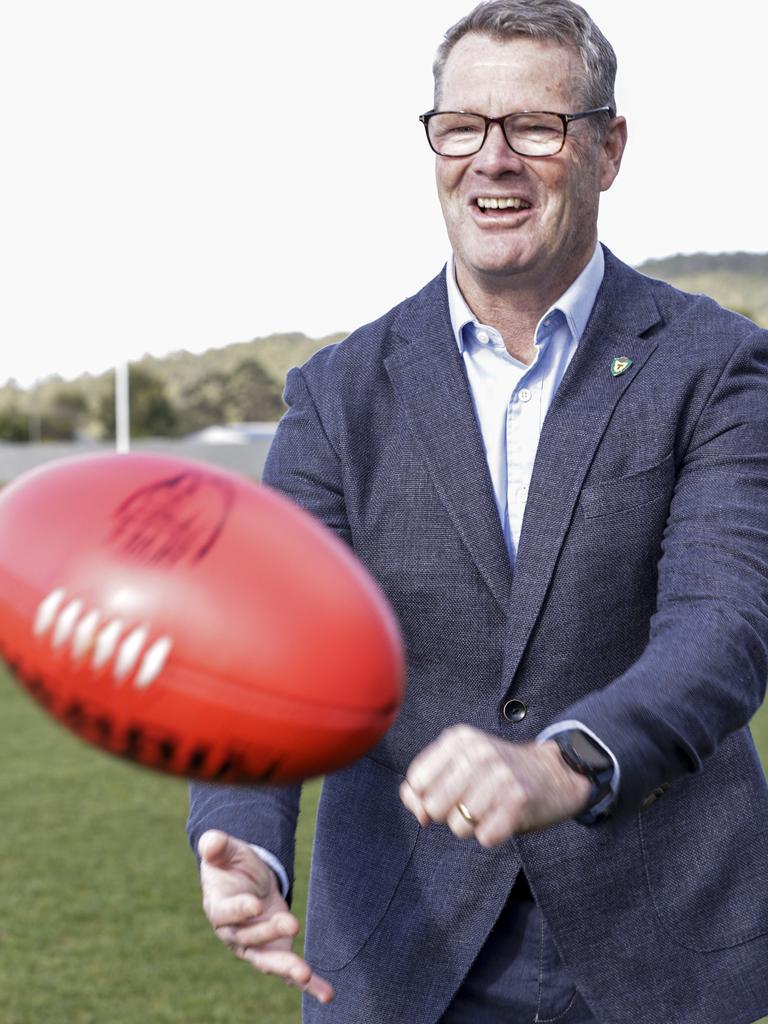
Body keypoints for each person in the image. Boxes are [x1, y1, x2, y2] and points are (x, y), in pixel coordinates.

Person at [186, 2, 768, 1021]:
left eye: (535, 127)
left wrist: (569, 762)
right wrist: (246, 842)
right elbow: (267, 650)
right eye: (462, 127)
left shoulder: (715, 365)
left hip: (659, 948)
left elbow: (724, 628)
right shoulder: (337, 392)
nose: (491, 160)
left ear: (607, 147)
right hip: (404, 950)